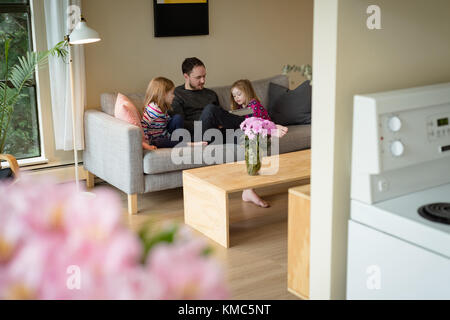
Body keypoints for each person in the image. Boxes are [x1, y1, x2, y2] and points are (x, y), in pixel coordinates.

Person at [141, 77, 205, 148]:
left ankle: (180, 140)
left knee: (178, 118)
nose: (174, 96)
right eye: (172, 93)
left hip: (165, 135)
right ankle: (187, 144)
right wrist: (146, 143)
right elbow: (144, 125)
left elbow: (166, 123)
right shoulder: (153, 109)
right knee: (159, 141)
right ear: (163, 94)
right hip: (155, 140)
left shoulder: (163, 107)